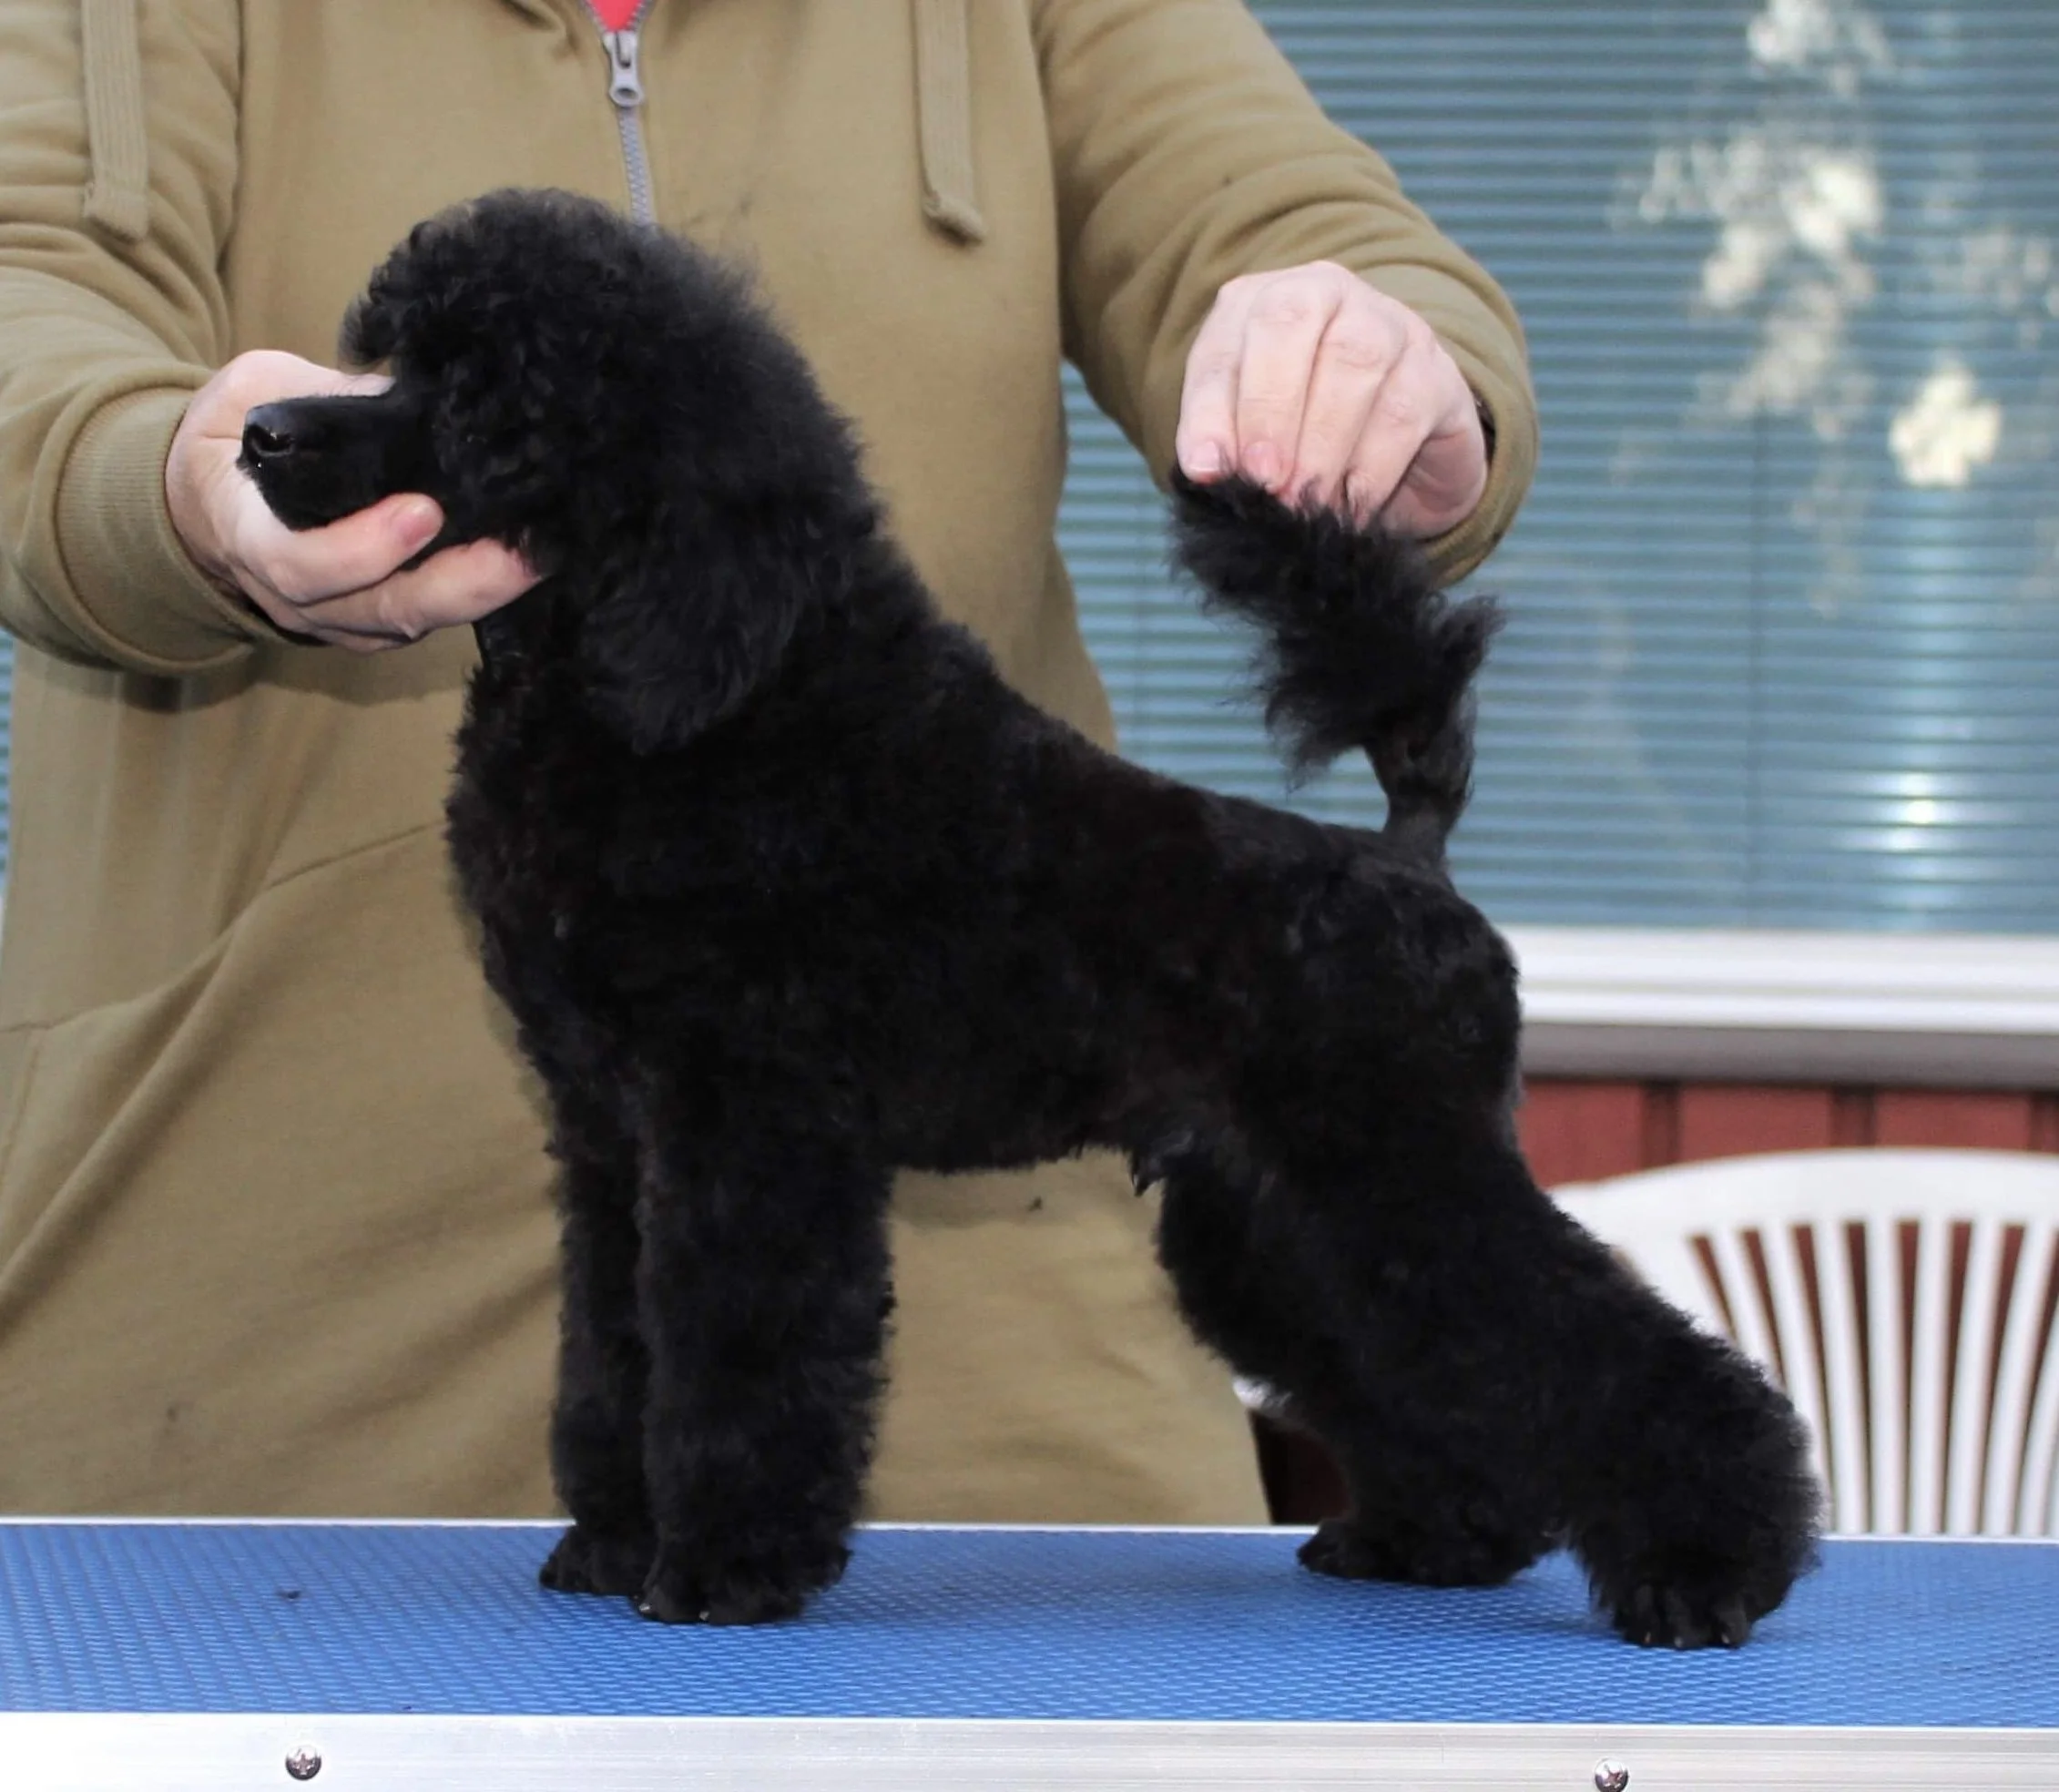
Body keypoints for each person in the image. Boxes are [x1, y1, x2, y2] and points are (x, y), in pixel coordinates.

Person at [0, 0, 1536, 1523]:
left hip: (1024, 1428)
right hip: (243, 1389)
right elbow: (25, 298)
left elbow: (1269, 209)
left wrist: (1384, 360)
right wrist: (154, 488)